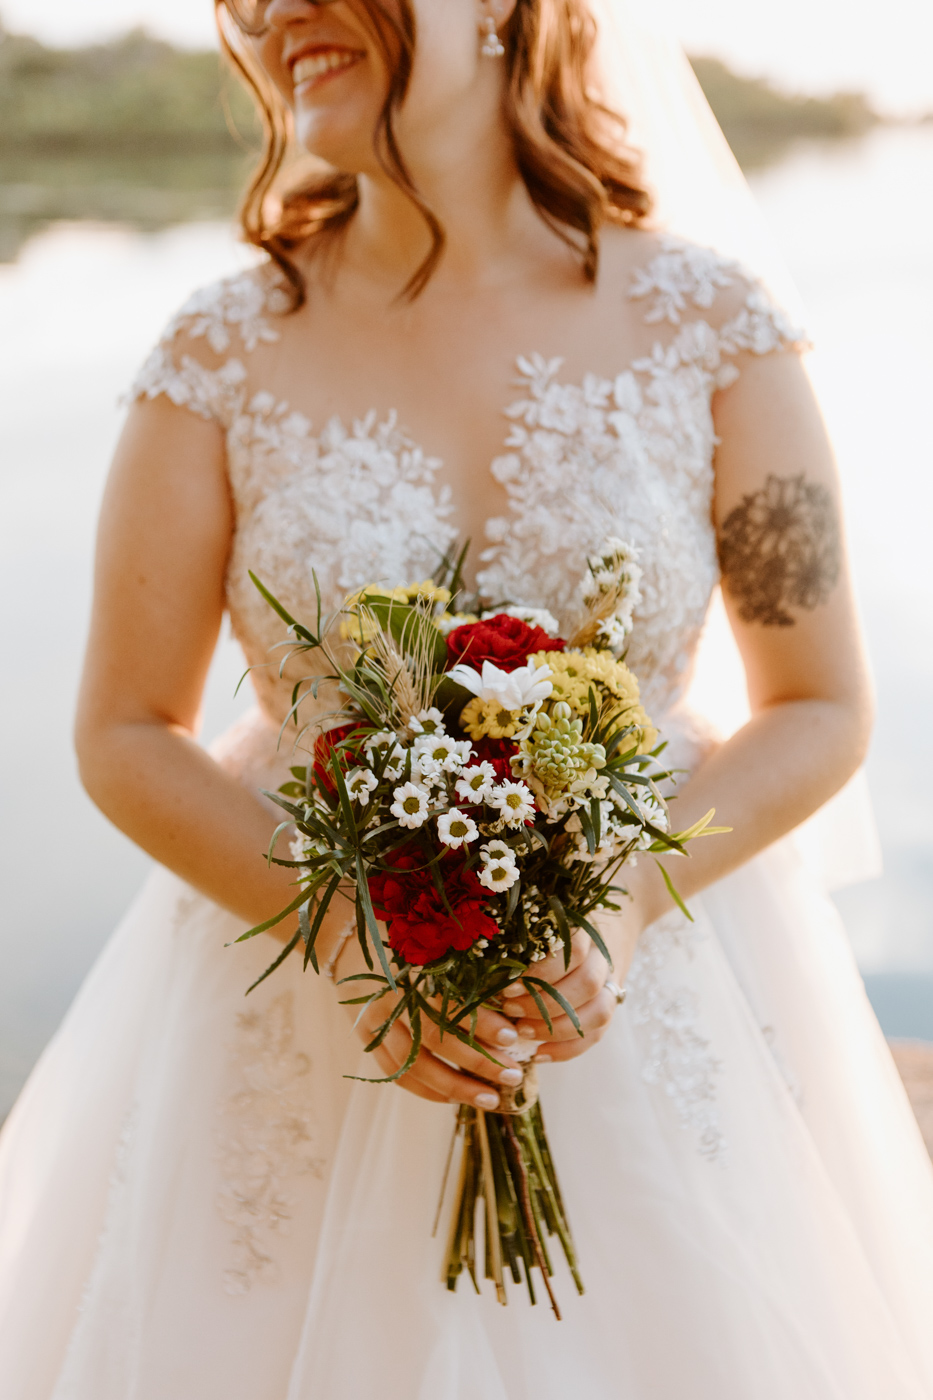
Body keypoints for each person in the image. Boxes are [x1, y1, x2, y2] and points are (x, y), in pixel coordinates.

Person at [2, 0, 933, 1395]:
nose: (266, 13)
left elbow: (816, 702)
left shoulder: (716, 328)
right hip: (295, 1017)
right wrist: (354, 939)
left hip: (653, 998)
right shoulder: (216, 355)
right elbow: (127, 731)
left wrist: (621, 889)